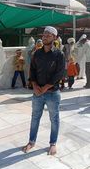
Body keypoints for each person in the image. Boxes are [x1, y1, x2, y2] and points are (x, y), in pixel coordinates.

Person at [22, 26, 65, 155]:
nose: (45, 36)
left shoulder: (59, 54)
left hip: (52, 93)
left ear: (55, 38)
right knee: (35, 117)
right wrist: (35, 86)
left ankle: (53, 143)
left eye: (48, 34)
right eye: (44, 34)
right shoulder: (37, 53)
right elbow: (32, 70)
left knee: (54, 118)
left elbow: (59, 74)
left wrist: (45, 87)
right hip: (37, 93)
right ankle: (31, 141)